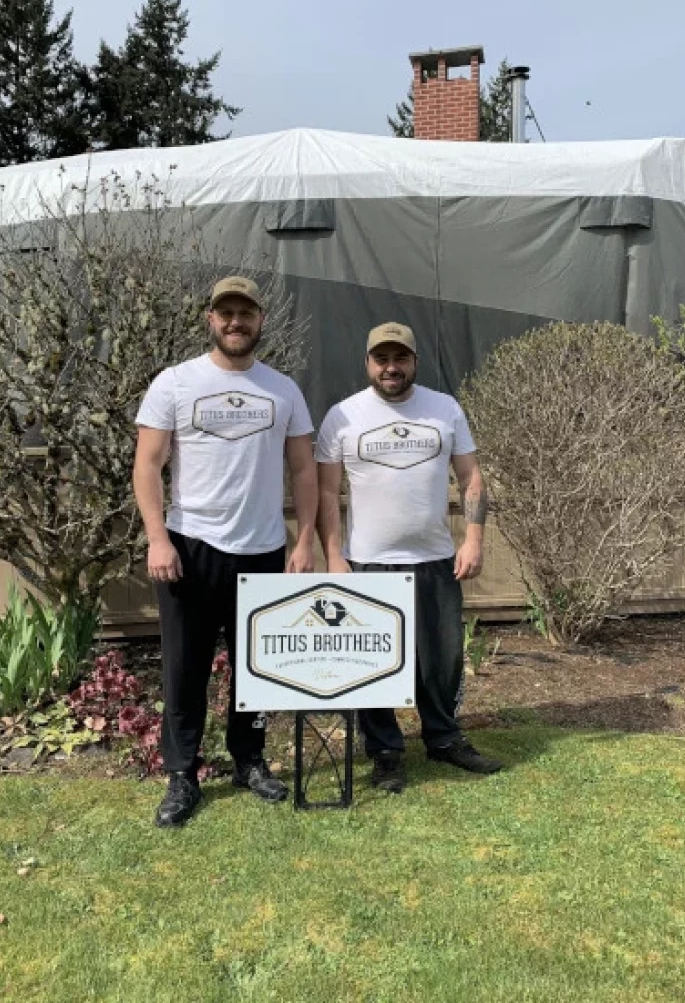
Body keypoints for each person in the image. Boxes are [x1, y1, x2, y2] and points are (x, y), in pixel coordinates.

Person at [134, 275, 317, 827]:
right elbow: (147, 463)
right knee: (185, 668)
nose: (236, 322)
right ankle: (182, 774)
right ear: (210, 319)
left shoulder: (283, 389)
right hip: (190, 547)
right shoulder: (175, 383)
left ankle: (250, 760)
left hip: (263, 548)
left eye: (246, 313)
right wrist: (158, 537)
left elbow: (305, 468)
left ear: (261, 320)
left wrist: (304, 538)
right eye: (225, 313)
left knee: (255, 667)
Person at [315, 322, 502, 793]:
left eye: (400, 358)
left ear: (415, 361)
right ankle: (385, 754)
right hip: (368, 562)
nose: (391, 368)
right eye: (382, 359)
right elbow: (323, 491)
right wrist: (334, 556)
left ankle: (442, 739)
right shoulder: (343, 416)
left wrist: (474, 538)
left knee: (440, 661)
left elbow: (472, 478)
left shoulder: (445, 409)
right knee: (373, 663)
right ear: (368, 363)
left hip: (435, 559)